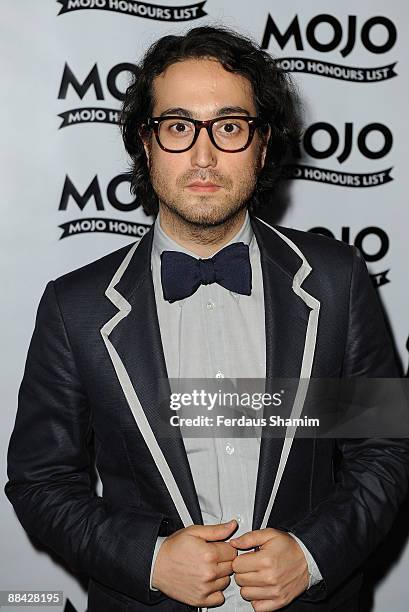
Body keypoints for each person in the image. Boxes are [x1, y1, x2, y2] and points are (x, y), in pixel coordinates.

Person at [5, 25, 409, 612]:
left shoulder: (336, 280)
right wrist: (147, 558)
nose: (203, 154)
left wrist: (313, 553)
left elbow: (386, 446)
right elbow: (42, 482)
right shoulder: (77, 308)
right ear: (145, 144)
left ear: (263, 145)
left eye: (229, 126)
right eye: (177, 126)